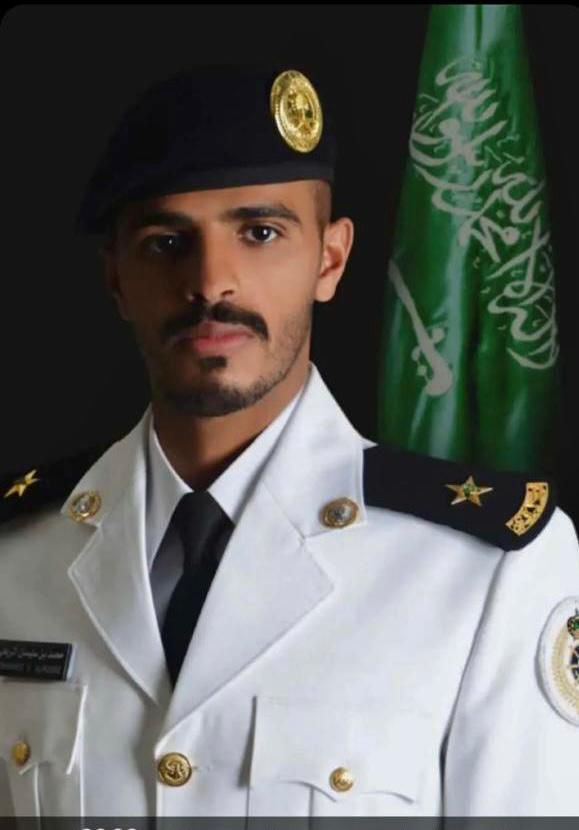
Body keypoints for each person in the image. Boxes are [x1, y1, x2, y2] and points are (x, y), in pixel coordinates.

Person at [1, 61, 579, 820]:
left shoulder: (486, 571)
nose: (212, 282)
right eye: (166, 242)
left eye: (260, 233)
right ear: (116, 279)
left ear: (328, 260)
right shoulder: (18, 557)